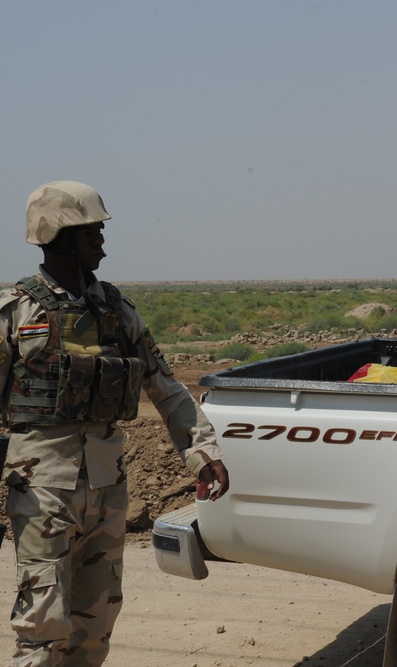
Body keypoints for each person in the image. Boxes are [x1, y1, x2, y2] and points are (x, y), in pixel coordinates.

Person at [0, 181, 230, 666]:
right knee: (42, 630)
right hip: (42, 489)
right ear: (63, 237)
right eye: (93, 234)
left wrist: (202, 453)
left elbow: (166, 389)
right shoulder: (16, 313)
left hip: (108, 488)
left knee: (95, 627)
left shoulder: (118, 313)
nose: (103, 243)